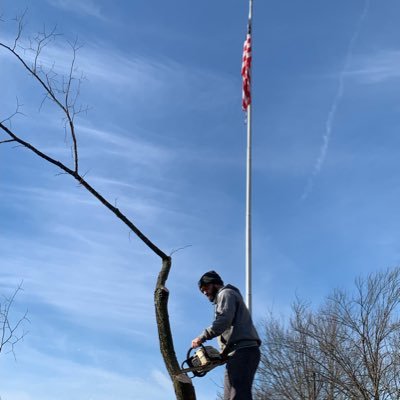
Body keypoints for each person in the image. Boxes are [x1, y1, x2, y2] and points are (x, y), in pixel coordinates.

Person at [191, 270, 261, 400]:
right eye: (202, 291)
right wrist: (222, 355)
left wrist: (202, 337)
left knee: (239, 395)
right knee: (229, 397)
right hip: (235, 353)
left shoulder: (226, 294)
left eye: (206, 288)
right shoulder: (224, 298)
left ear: (215, 284)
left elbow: (223, 321)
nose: (205, 292)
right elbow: (228, 328)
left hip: (244, 351)